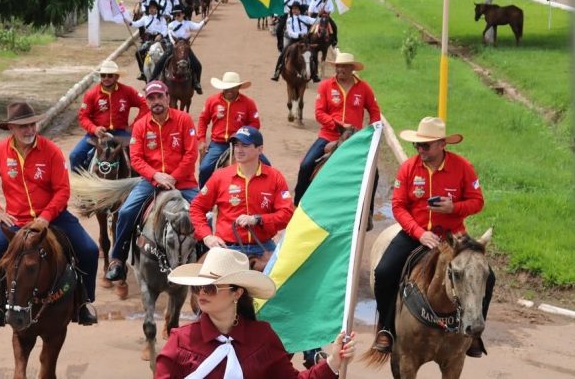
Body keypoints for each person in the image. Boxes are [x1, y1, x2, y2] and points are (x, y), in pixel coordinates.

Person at [371, 116, 493, 358]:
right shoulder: (408, 168)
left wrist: (454, 208)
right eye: (418, 145)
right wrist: (419, 233)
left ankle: (474, 333)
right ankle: (386, 328)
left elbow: (478, 202)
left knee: (488, 277)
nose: (420, 150)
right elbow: (398, 206)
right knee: (384, 272)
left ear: (441, 144)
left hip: (454, 238)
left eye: (425, 145)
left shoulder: (462, 167)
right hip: (415, 234)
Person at [0, 101, 99, 328]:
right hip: (16, 220)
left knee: (89, 250)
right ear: (11, 128)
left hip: (54, 218)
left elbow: (62, 190)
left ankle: (85, 303)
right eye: (23, 126)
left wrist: (46, 217)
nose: (29, 130)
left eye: (32, 125)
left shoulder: (51, 150)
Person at [156, 247, 355, 378]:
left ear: (237, 293)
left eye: (211, 288)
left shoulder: (262, 337)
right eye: (198, 287)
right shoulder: (180, 340)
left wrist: (334, 361)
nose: (201, 293)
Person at [104, 81, 200, 283]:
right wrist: (156, 176)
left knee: (204, 215)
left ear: (167, 97)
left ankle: (207, 261)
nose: (156, 101)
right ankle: (118, 260)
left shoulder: (184, 120)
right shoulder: (140, 125)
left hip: (183, 182)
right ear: (146, 101)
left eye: (159, 96)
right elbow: (136, 158)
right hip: (151, 181)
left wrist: (173, 177)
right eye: (151, 98)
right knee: (126, 212)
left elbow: (191, 154)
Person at [190, 126, 293, 256]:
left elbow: (287, 214)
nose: (238, 150)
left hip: (264, 247)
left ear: (259, 149)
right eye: (236, 145)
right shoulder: (220, 176)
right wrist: (207, 236)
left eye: (244, 145)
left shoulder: (275, 177)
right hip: (227, 247)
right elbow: (196, 207)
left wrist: (258, 219)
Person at [294, 52, 380, 205]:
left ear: (352, 68)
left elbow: (374, 111)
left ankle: (368, 212)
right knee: (306, 165)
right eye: (338, 66)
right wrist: (337, 124)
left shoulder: (363, 87)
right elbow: (319, 113)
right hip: (328, 135)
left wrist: (371, 131)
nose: (340, 69)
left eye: (345, 66)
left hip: (354, 138)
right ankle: (297, 204)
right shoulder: (326, 86)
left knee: (375, 172)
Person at [69, 60, 147, 172]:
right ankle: (79, 185)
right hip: (96, 135)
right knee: (75, 156)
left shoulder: (127, 91)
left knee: (140, 155)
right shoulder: (91, 94)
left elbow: (145, 105)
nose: (106, 78)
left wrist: (134, 126)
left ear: (116, 77)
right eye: (103, 75)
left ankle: (138, 184)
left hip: (121, 133)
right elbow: (83, 117)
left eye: (110, 75)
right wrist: (94, 129)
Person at [196, 72, 264, 187]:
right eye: (227, 87)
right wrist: (202, 140)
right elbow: (203, 120)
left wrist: (242, 135)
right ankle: (203, 195)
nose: (229, 90)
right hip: (218, 143)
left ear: (238, 87)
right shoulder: (212, 101)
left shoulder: (248, 103)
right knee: (205, 168)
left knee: (266, 165)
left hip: (242, 143)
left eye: (233, 87)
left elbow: (255, 123)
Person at [149, 5, 206, 94]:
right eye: (175, 15)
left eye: (178, 14)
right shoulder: (171, 25)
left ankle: (196, 83)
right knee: (160, 62)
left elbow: (198, 26)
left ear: (183, 14)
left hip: (186, 47)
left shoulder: (188, 23)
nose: (176, 16)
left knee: (198, 65)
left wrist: (204, 21)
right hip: (174, 46)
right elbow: (171, 35)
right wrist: (175, 45)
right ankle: (151, 81)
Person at [271, 1, 316, 82]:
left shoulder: (305, 18)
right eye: (293, 9)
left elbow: (315, 21)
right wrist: (299, 35)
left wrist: (319, 18)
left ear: (299, 10)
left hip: (304, 41)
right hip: (293, 40)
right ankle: (277, 71)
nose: (294, 10)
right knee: (283, 53)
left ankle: (315, 74)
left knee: (313, 54)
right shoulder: (289, 20)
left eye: (296, 9)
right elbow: (290, 32)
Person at [132, 0, 170, 80]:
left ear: (157, 9)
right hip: (149, 40)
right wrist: (126, 20)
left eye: (153, 8)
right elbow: (135, 24)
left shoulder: (162, 19)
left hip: (160, 39)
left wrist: (161, 35)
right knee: (138, 53)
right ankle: (143, 72)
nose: (152, 9)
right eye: (150, 8)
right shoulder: (145, 18)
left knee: (170, 51)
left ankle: (168, 70)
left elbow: (165, 30)